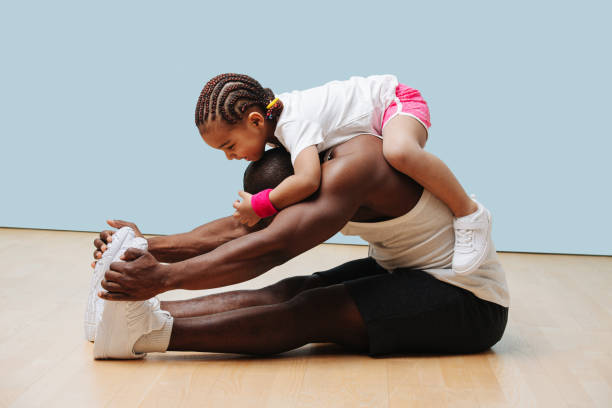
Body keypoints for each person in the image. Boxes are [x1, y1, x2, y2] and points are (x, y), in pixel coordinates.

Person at [90, 135, 509, 359]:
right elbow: (244, 228)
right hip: (407, 267)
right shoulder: (309, 167)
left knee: (309, 312)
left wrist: (162, 277)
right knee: (291, 290)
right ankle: (134, 317)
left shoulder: (352, 170)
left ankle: (147, 336)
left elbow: (268, 247)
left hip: (469, 302)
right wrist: (150, 245)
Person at [196, 73, 491, 274]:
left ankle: (469, 212)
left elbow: (308, 180)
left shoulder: (292, 124)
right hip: (378, 117)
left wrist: (261, 204)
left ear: (256, 120)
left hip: (395, 101)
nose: (230, 156)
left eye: (230, 145)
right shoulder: (275, 125)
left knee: (399, 152)